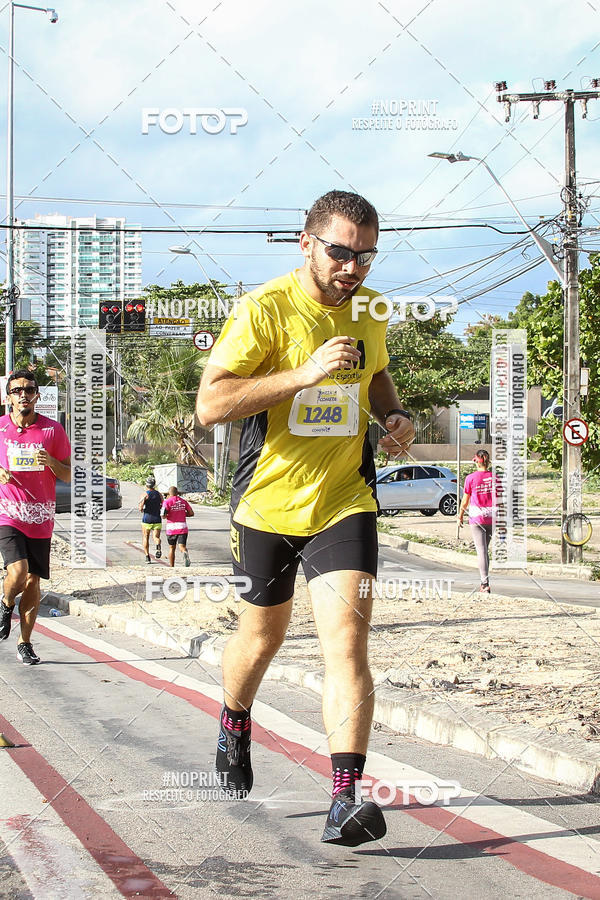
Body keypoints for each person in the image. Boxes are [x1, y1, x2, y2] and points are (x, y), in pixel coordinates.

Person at [196, 189, 415, 847]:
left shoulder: (372, 309)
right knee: (261, 637)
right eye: (341, 251)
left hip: (344, 498)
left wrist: (393, 415)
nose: (353, 268)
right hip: (266, 504)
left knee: (346, 643)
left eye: (366, 255)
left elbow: (375, 376)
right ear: (307, 243)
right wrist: (303, 373)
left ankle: (345, 799)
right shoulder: (263, 310)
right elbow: (211, 404)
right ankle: (235, 718)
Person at [0, 370, 71, 665]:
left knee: (32, 582)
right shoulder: (0, 428)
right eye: (17, 390)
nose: (23, 394)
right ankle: (5, 605)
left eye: (29, 389)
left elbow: (68, 473)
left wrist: (51, 462)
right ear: (8, 398)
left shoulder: (52, 430)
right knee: (18, 572)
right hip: (8, 514)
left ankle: (25, 643)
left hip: (41, 517)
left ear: (37, 396)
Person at [458, 449, 495, 593]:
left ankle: (484, 583)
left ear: (476, 461)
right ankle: (485, 580)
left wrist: (460, 515)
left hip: (477, 517)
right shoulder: (495, 478)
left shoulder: (470, 478)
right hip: (492, 516)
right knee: (485, 550)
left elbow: (465, 500)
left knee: (481, 550)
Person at [161, 486, 194, 567]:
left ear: (169, 493)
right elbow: (191, 513)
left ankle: (172, 566)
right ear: (177, 493)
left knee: (172, 548)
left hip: (171, 528)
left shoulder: (167, 502)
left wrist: (168, 515)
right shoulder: (183, 501)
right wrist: (183, 513)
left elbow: (163, 515)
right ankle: (184, 552)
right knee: (182, 546)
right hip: (182, 527)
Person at [138, 476, 163, 564]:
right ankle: (158, 544)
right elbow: (162, 505)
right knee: (156, 537)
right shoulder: (159, 494)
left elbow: (140, 508)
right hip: (157, 518)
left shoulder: (144, 495)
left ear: (146, 485)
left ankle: (147, 557)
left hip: (147, 519)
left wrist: (142, 508)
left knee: (145, 537)